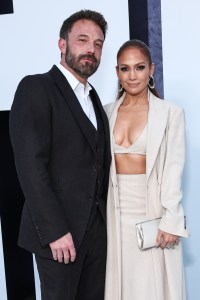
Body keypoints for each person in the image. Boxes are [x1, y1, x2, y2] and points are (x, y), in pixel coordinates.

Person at [9, 9, 111, 300]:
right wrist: (55, 231)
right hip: (59, 237)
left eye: (98, 43)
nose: (91, 49)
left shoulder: (93, 99)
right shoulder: (36, 87)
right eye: (82, 39)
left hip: (96, 238)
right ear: (62, 44)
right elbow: (31, 166)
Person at [104, 39, 189, 300]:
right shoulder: (105, 113)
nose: (132, 76)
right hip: (114, 217)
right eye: (125, 68)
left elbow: (174, 169)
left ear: (151, 69)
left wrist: (171, 220)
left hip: (153, 214)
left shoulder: (170, 113)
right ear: (117, 72)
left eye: (139, 67)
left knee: (153, 289)